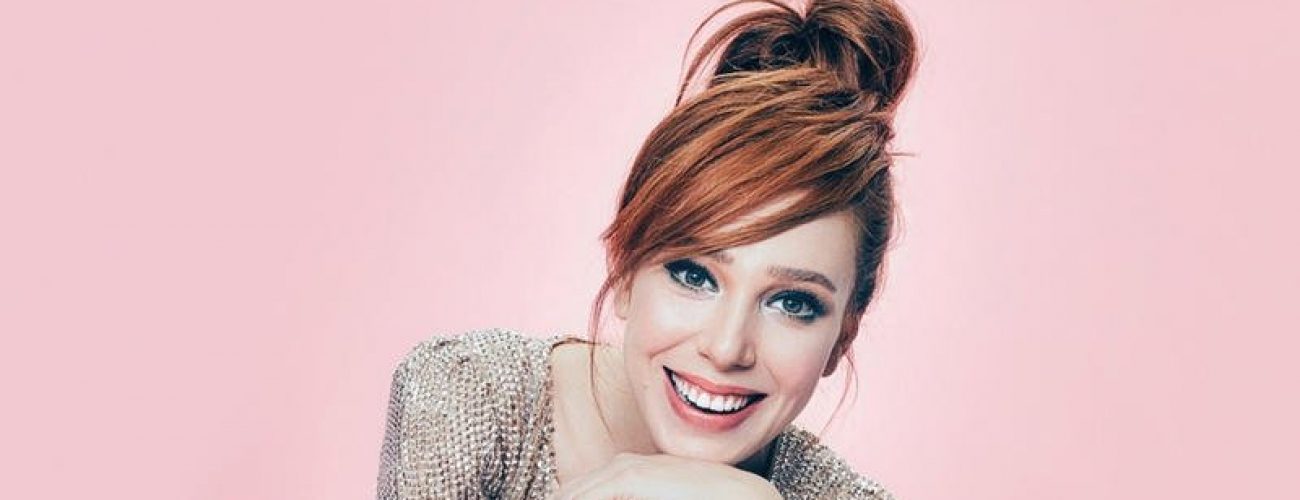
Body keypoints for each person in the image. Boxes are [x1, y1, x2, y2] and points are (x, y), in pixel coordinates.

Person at [376, 0, 918, 497]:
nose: (726, 348)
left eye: (793, 303)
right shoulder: (472, 399)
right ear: (625, 270)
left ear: (843, 335)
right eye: (694, 275)